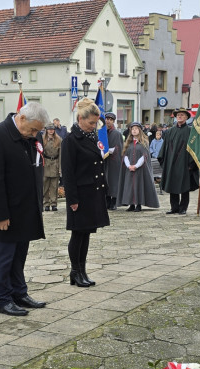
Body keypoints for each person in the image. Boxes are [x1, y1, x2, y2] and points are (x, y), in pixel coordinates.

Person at [0, 101, 50, 316]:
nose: (35, 134)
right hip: (6, 213)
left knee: (19, 255)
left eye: (37, 130)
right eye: (33, 129)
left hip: (26, 209)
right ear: (21, 118)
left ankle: (19, 292)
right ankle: (2, 299)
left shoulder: (29, 135)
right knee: (4, 257)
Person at [61, 98, 109, 288]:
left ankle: (83, 271)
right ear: (80, 118)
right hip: (79, 195)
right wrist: (72, 198)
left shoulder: (92, 137)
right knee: (78, 234)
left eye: (96, 123)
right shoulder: (71, 141)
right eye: (91, 123)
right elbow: (68, 172)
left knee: (87, 233)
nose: (93, 126)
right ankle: (75, 271)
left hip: (92, 193)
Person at [158, 108, 198, 215]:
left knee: (185, 186)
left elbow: (194, 148)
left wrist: (191, 164)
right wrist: (165, 162)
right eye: (178, 115)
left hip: (185, 163)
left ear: (186, 117)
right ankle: (174, 207)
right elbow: (165, 148)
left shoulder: (191, 131)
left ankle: (183, 207)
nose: (180, 116)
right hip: (171, 163)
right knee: (173, 185)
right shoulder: (170, 132)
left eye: (182, 115)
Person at [116, 122, 160, 213]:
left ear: (139, 130)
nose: (134, 130)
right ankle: (131, 204)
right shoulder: (128, 143)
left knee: (139, 186)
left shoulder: (144, 143)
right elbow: (125, 156)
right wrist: (129, 166)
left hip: (140, 169)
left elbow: (144, 157)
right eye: (132, 129)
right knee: (129, 186)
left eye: (136, 129)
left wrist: (136, 166)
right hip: (129, 169)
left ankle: (138, 204)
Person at [102, 112, 124, 210]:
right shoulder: (102, 133)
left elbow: (119, 147)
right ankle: (107, 201)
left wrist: (111, 151)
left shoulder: (116, 134)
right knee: (105, 181)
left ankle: (114, 202)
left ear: (113, 121)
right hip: (104, 161)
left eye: (110, 120)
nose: (108, 121)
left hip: (114, 161)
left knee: (113, 181)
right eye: (107, 119)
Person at [41, 126, 62, 211]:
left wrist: (60, 168)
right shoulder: (42, 139)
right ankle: (46, 203)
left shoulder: (59, 140)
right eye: (49, 129)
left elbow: (61, 155)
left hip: (55, 164)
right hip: (45, 164)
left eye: (52, 129)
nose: (51, 131)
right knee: (45, 186)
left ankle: (54, 203)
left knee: (54, 186)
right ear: (46, 130)